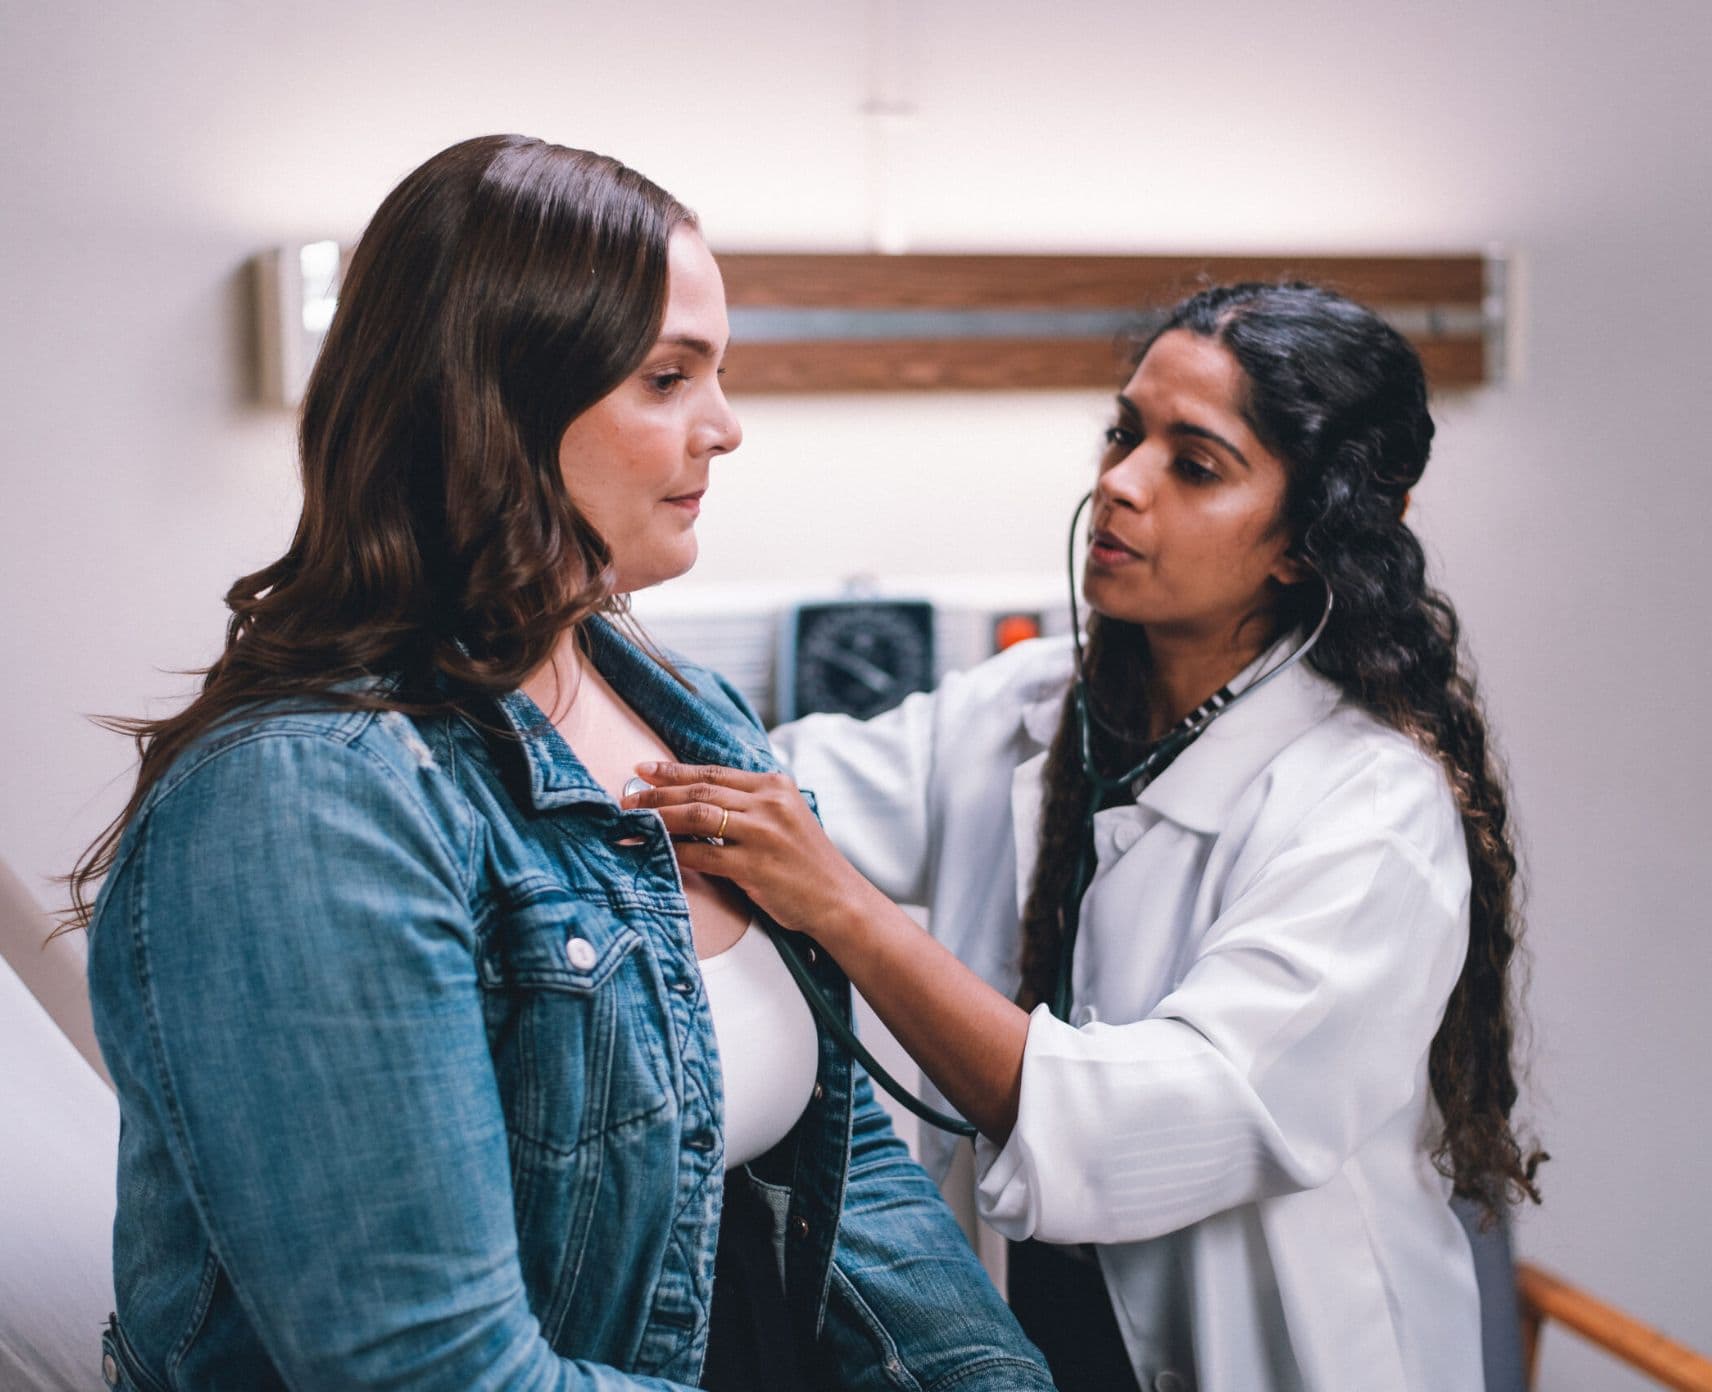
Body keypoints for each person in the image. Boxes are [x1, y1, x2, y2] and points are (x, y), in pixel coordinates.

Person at [69, 135, 1053, 1391]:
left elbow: (841, 1166)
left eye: (718, 371)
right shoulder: (306, 801)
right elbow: (431, 1371)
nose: (726, 427)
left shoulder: (691, 717)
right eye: (665, 378)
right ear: (495, 403)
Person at [627, 283, 1545, 1392]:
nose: (1118, 481)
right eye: (1124, 431)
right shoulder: (1027, 709)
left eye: (1191, 464)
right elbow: (770, 786)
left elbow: (1135, 1132)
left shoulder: (1366, 812)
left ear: (1306, 545)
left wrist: (842, 908)